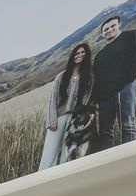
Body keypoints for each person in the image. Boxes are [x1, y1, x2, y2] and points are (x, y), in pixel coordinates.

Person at [89, 15, 136, 153]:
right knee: (105, 131)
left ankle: (131, 155)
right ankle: (108, 161)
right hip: (105, 97)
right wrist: (96, 100)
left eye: (112, 26)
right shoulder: (100, 55)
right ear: (103, 34)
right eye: (106, 29)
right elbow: (96, 79)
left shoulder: (133, 35)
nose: (109, 30)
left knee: (128, 124)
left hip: (125, 87)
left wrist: (128, 80)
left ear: (119, 25)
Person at [38, 42, 96, 170]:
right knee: (50, 152)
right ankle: (43, 178)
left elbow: (87, 97)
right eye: (77, 53)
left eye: (82, 53)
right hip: (58, 118)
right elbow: (52, 100)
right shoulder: (62, 76)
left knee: (67, 152)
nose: (79, 55)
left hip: (75, 120)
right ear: (72, 56)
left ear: (86, 56)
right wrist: (52, 120)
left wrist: (82, 117)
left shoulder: (89, 76)